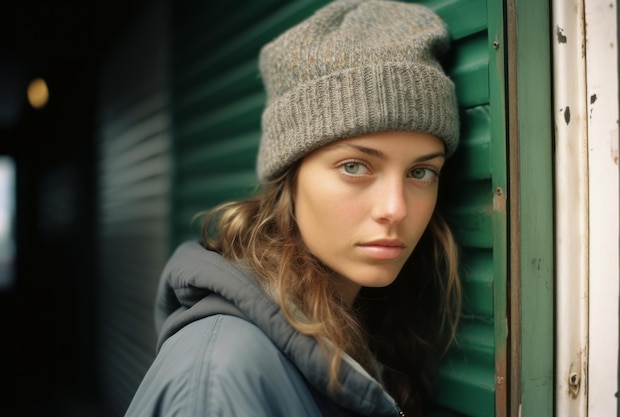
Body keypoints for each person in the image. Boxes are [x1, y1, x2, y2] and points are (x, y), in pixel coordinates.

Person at [125, 0, 461, 416]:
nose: (395, 209)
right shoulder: (218, 381)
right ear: (290, 178)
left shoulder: (371, 330)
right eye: (354, 166)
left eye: (421, 172)